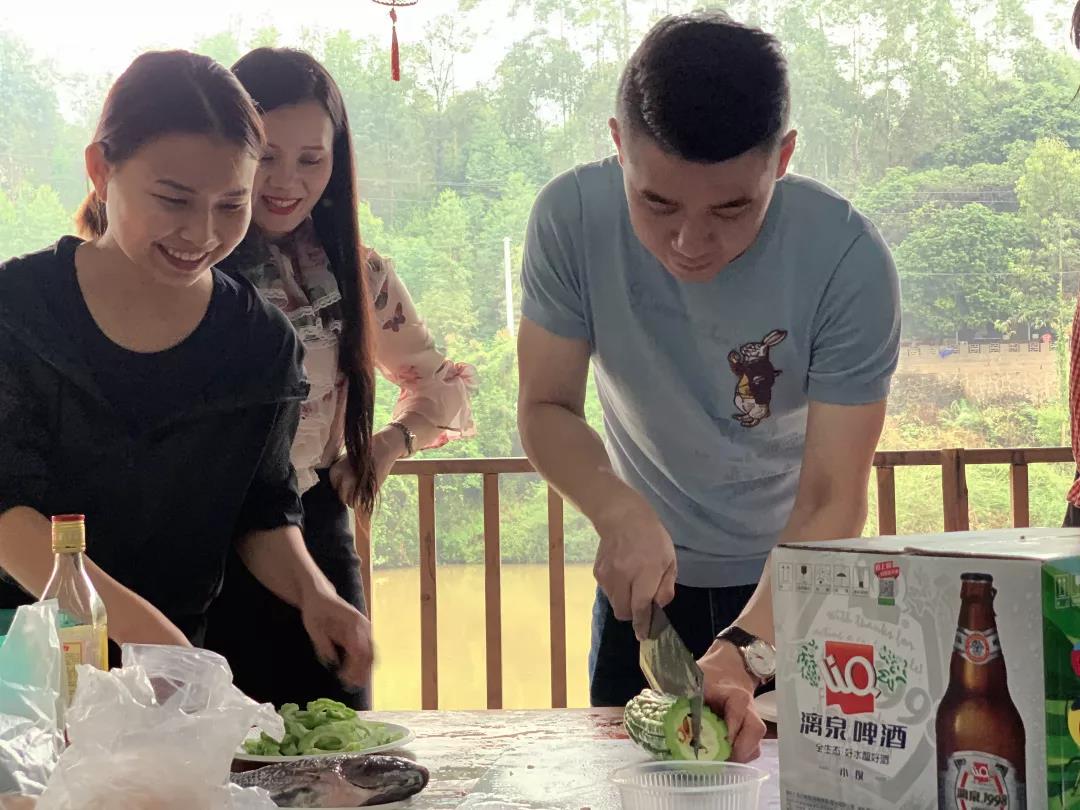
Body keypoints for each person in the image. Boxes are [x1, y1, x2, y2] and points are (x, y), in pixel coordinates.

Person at [517, 12, 900, 760]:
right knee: (631, 784)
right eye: (657, 203)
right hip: (646, 587)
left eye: (732, 208)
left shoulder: (846, 259)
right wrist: (615, 508)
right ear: (619, 144)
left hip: (798, 580)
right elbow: (545, 406)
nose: (690, 243)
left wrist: (749, 649)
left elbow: (832, 495)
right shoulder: (570, 219)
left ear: (782, 158)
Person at [0, 50, 372, 688]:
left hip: (172, 667)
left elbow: (263, 510)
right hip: (24, 661)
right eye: (173, 199)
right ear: (101, 170)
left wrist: (315, 593)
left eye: (231, 205)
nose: (201, 234)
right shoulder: (18, 311)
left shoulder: (259, 341)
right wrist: (146, 637)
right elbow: (9, 516)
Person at [204, 48, 476, 709]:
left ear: (337, 162)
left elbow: (438, 383)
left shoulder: (359, 275)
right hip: (204, 546)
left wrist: (388, 445)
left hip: (318, 530)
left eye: (311, 159)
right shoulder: (190, 263)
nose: (285, 182)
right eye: (266, 155)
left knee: (338, 742)